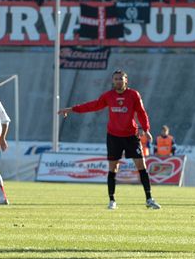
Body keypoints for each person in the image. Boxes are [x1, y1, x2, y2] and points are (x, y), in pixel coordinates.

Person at [58, 70, 161, 210]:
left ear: (126, 80)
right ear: (113, 81)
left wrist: (145, 129)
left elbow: (141, 112)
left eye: (121, 78)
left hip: (131, 136)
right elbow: (93, 105)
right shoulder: (108, 96)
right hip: (114, 136)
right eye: (116, 79)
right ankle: (112, 201)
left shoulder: (133, 95)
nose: (118, 81)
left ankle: (149, 199)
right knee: (113, 168)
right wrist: (71, 109)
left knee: (141, 166)